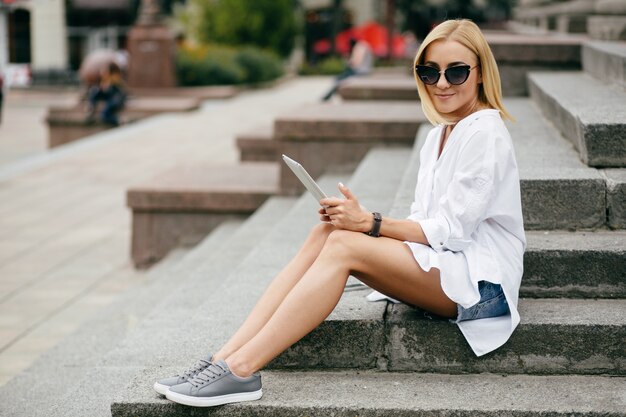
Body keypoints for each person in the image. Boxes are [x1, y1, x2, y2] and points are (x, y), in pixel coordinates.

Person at [154, 18, 526, 408]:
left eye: (457, 71)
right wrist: (357, 221)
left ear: (481, 73)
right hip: (450, 264)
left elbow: (454, 231)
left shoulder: (484, 132)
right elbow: (426, 219)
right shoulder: (439, 135)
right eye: (430, 71)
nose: (443, 83)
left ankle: (242, 370)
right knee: (326, 235)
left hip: (482, 285)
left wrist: (372, 224)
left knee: (344, 247)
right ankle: (221, 359)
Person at [86, 61, 126, 126]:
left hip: (115, 99)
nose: (104, 72)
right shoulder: (106, 78)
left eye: (106, 70)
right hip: (110, 97)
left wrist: (106, 84)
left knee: (104, 115)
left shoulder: (115, 79)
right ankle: (91, 108)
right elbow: (103, 90)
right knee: (94, 91)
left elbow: (115, 92)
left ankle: (119, 120)